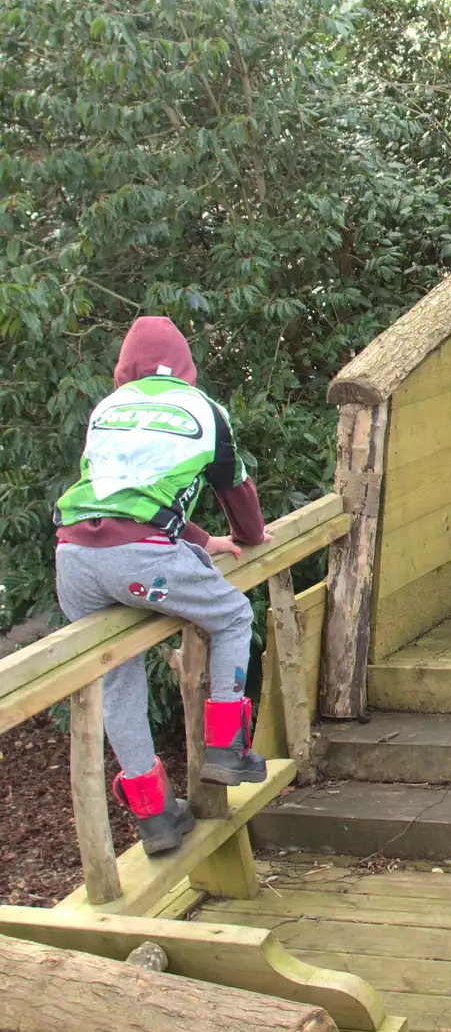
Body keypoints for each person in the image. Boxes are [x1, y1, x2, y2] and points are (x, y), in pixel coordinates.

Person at [54, 316, 272, 855]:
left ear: (122, 370)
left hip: (75, 559)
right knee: (231, 615)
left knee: (116, 673)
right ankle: (226, 748)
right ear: (188, 369)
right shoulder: (203, 409)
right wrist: (248, 536)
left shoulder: (109, 409)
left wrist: (199, 540)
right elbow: (235, 487)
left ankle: (154, 816)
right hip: (142, 561)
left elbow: (121, 494)